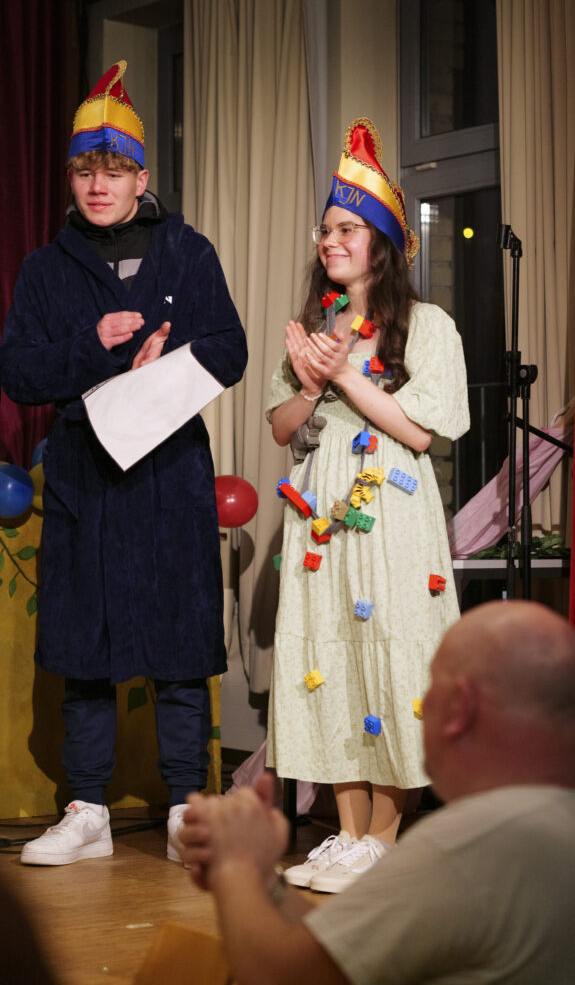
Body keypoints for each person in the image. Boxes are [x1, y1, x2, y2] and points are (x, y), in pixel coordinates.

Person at [0, 60, 247, 866]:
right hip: (86, 481)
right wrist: (92, 345)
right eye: (84, 173)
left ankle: (186, 807)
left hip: (169, 476)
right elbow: (18, 372)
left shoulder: (188, 252)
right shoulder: (45, 269)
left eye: (113, 172)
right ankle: (86, 811)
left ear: (142, 178)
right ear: (71, 181)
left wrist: (165, 361)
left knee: (181, 648)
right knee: (83, 650)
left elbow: (230, 349)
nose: (98, 186)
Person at [264, 117, 469, 891]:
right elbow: (283, 427)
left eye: (345, 229)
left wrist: (344, 375)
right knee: (331, 660)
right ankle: (346, 832)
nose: (329, 240)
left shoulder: (428, 325)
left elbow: (418, 431)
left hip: (390, 513)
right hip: (321, 517)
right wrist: (310, 383)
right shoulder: (317, 328)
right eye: (325, 230)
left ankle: (383, 836)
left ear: (380, 241)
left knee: (389, 656)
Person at [179, 599, 575, 984]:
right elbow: (343, 952)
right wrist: (266, 878)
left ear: (460, 708)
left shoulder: (470, 843)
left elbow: (282, 974)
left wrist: (235, 865)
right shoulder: (546, 822)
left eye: (430, 683)